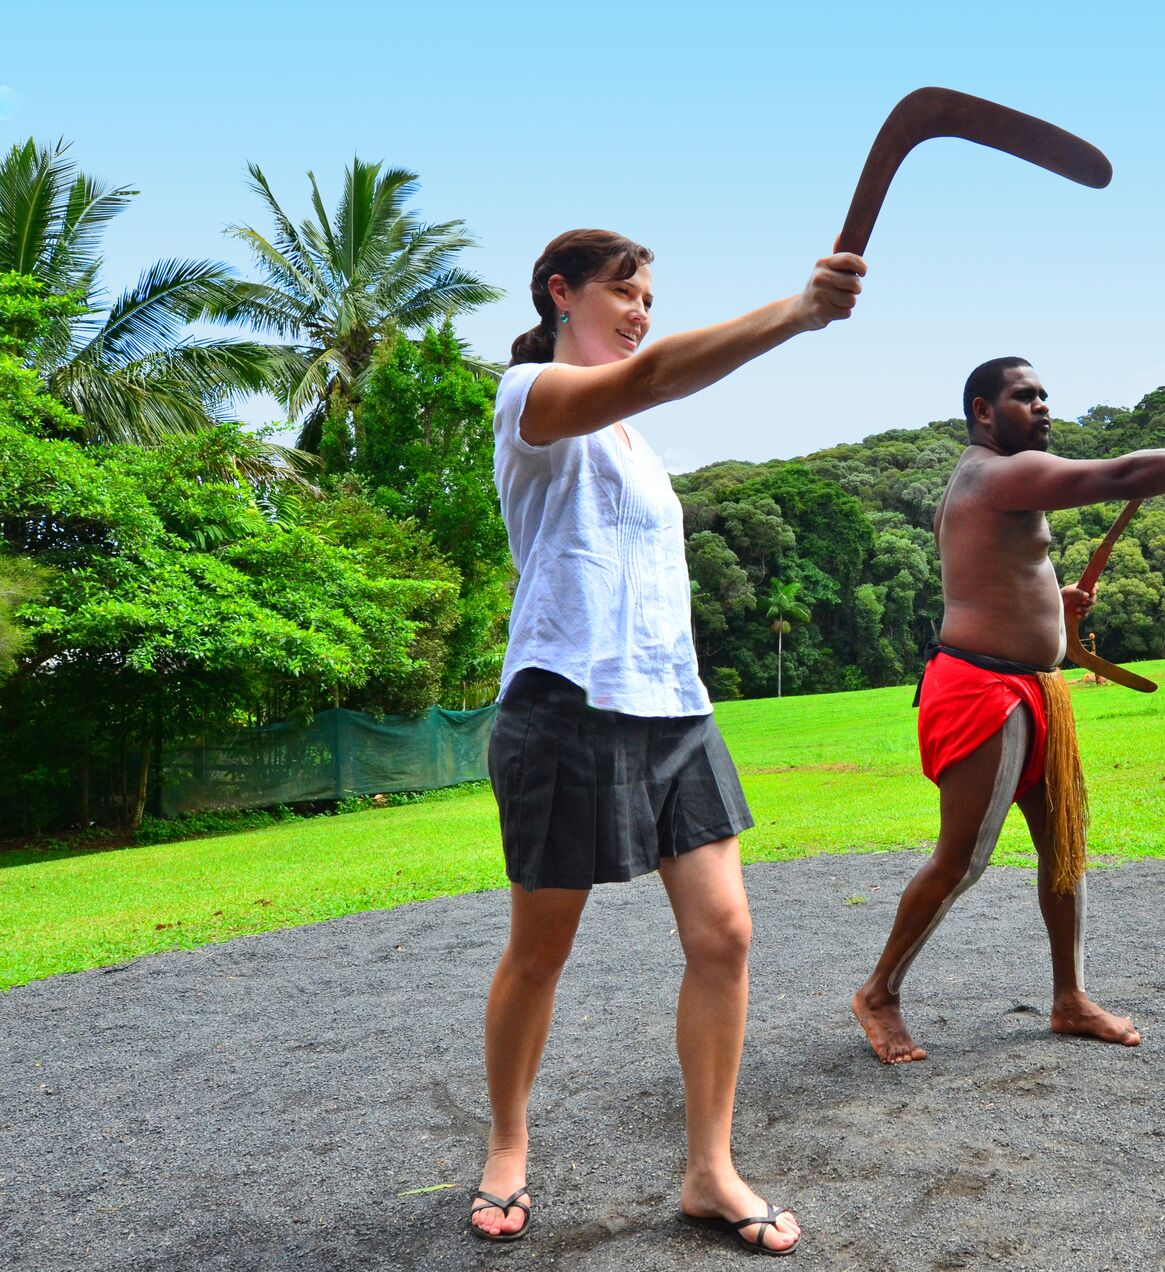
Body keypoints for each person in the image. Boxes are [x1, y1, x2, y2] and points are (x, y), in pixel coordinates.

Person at [470, 228, 864, 1254]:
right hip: (566, 703)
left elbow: (645, 385)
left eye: (650, 295)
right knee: (540, 951)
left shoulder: (641, 450)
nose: (640, 309)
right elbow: (646, 377)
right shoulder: (530, 397)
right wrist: (795, 311)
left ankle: (709, 1169)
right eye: (624, 291)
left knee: (725, 934)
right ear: (560, 293)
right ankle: (509, 1143)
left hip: (675, 710)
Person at [852, 357, 1165, 1064]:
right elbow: (1119, 476)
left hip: (1036, 689)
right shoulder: (996, 474)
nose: (1041, 407)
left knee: (1064, 847)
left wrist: (1055, 615)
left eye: (1044, 396)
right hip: (981, 691)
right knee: (964, 859)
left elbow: (1000, 576)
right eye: (1023, 397)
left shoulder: (1002, 481)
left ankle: (1070, 997)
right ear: (981, 411)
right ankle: (879, 992)